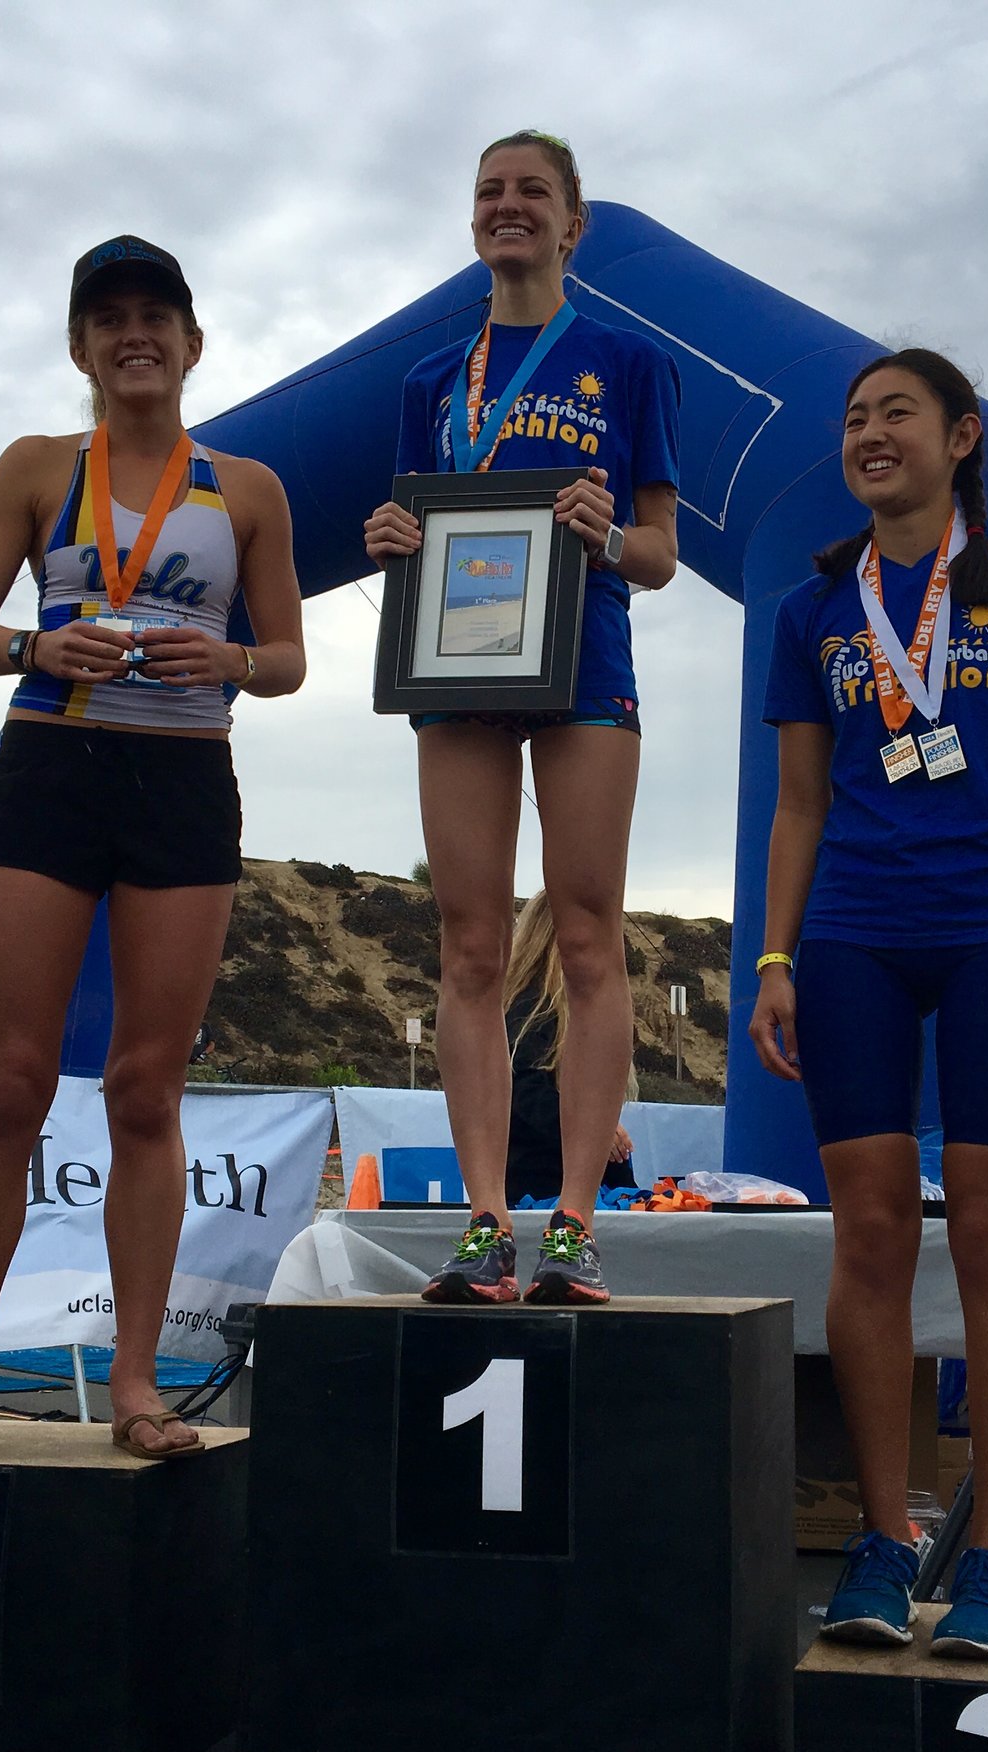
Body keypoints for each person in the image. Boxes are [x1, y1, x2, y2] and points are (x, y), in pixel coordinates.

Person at [0, 236, 305, 1460]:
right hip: (48, 773)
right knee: (10, 1082)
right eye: (109, 318)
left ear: (192, 343)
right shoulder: (33, 465)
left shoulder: (251, 489)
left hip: (181, 782)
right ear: (80, 346)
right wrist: (30, 645)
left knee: (144, 1089)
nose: (135, 335)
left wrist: (226, 661)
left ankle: (135, 1386)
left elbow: (283, 661)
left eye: (156, 318)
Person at [750, 349, 988, 1658]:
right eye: (852, 417)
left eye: (895, 411)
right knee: (869, 1231)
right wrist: (774, 958)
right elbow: (799, 802)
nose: (869, 432)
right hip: (853, 927)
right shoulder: (816, 607)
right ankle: (886, 1533)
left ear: (962, 436)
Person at [363, 131, 681, 1306]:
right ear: (473, 220)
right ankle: (486, 1219)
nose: (509, 207)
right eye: (490, 192)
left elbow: (660, 553)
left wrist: (610, 533)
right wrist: (391, 543)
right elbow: (416, 530)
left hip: (586, 657)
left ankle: (575, 1226)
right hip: (458, 669)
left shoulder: (628, 363)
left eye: (531, 192)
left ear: (572, 222)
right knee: (469, 944)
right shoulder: (427, 384)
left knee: (589, 933)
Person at [502, 890, 636, 1208]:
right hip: (540, 1193)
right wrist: (596, 1131)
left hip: (569, 1189)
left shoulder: (563, 1012)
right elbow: (527, 1094)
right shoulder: (533, 1008)